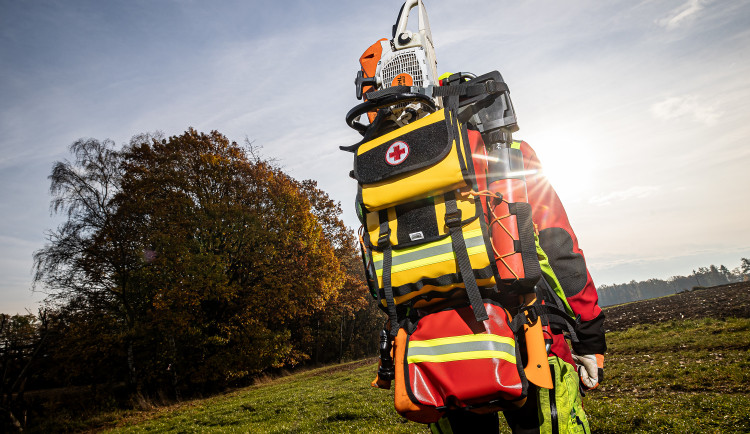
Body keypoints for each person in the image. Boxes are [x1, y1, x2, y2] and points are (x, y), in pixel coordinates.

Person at [429, 129, 607, 434]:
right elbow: (559, 246)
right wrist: (589, 335)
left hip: (437, 350)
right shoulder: (508, 150)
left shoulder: (396, 169)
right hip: (530, 335)